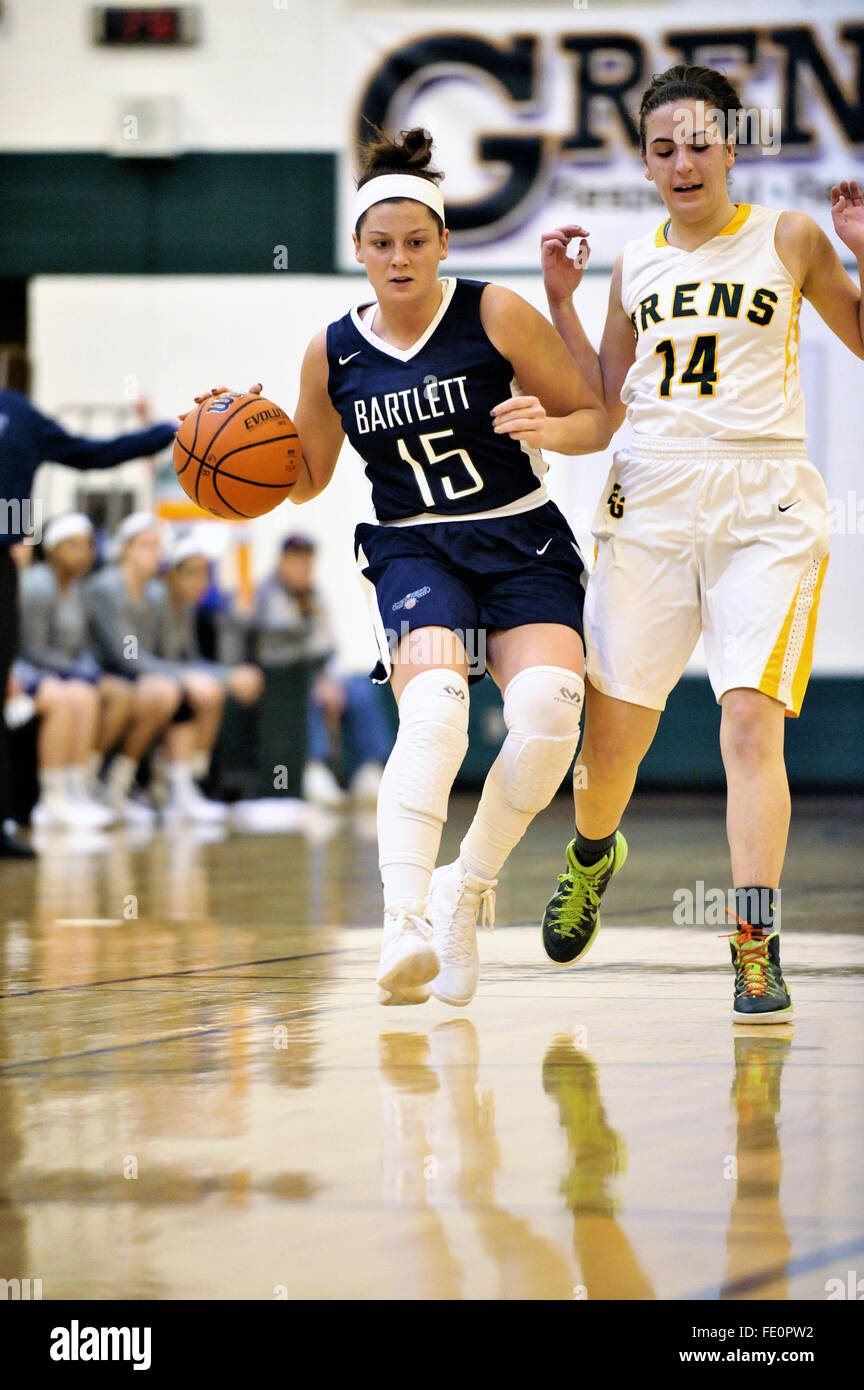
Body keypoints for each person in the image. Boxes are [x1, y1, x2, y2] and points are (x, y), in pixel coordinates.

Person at [192, 126, 610, 1006]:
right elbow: (303, 481)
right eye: (381, 245)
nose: (399, 258)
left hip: (517, 534)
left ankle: (467, 890)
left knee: (544, 716)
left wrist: (549, 426)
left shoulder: (493, 312)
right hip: (415, 544)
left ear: (443, 243)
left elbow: (594, 417)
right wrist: (226, 437)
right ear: (358, 252)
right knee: (436, 713)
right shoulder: (332, 350)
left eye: (416, 241)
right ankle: (404, 920)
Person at [538, 64, 864, 1022]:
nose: (685, 161)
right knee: (611, 748)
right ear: (646, 162)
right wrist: (560, 299)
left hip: (764, 503)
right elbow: (600, 411)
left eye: (700, 142)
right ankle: (594, 854)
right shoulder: (634, 265)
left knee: (750, 724)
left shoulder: (790, 236)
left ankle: (754, 943)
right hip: (652, 498)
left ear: (732, 144)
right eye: (664, 146)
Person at [0, 388, 175, 854]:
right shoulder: (47, 584)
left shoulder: (18, 413)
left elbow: (92, 453)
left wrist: (163, 434)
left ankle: (36, 806)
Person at [84, 513, 233, 824]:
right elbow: (129, 656)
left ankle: (176, 785)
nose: (154, 553)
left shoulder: (151, 593)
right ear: (125, 548)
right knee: (165, 691)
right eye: (146, 545)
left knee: (191, 692)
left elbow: (169, 657)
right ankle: (110, 784)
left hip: (130, 675)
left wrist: (215, 676)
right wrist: (186, 676)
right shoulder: (109, 588)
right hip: (98, 673)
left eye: (157, 546)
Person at [253, 533, 393, 807]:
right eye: (297, 560)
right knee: (307, 693)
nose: (304, 567)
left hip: (319, 672)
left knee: (362, 688)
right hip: (286, 677)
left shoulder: (316, 595)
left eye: (308, 560)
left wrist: (333, 679)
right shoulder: (267, 592)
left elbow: (329, 647)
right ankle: (315, 770)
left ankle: (370, 769)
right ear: (283, 561)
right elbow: (281, 636)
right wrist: (319, 678)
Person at [17, 512, 134, 828]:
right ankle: (52, 797)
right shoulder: (37, 586)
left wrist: (88, 671)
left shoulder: (79, 588)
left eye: (88, 546)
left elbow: (80, 647)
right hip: (29, 673)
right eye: (74, 546)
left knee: (107, 693)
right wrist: (79, 672)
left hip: (64, 672)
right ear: (53, 549)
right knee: (76, 697)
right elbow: (32, 650)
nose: (84, 554)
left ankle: (79, 785)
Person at [150, 532, 264, 804]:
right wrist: (187, 676)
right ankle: (168, 781)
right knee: (194, 693)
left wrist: (230, 676)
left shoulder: (186, 608)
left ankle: (187, 780)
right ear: (172, 574)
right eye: (192, 573)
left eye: (205, 574)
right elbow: (135, 658)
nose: (200, 582)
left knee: (211, 691)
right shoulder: (155, 601)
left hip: (166, 680)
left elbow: (188, 660)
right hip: (140, 681)